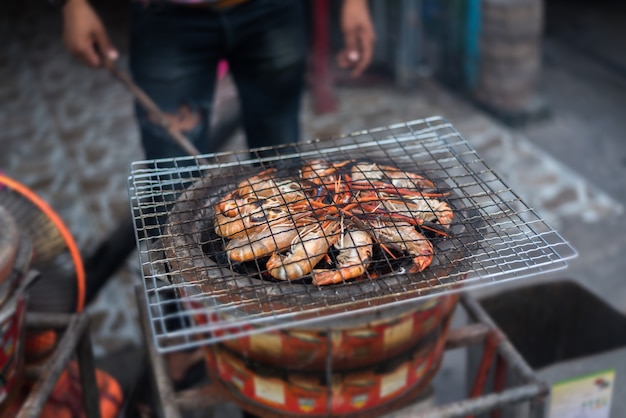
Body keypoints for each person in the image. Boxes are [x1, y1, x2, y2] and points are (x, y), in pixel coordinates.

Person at [61, 0, 376, 160]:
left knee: (280, 158)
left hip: (273, 11)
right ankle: (174, 285)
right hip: (164, 18)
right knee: (171, 177)